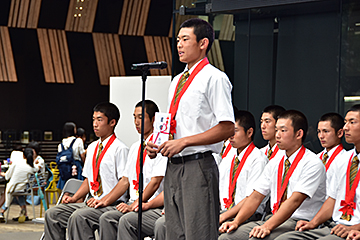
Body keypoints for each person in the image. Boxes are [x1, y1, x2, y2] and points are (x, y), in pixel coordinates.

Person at [146, 18, 235, 240]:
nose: (179, 45)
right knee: (174, 233)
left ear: (203, 43)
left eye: (185, 39)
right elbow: (174, 122)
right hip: (173, 166)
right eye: (178, 40)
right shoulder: (177, 80)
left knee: (199, 233)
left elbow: (227, 128)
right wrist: (157, 142)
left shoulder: (215, 78)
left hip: (198, 164)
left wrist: (185, 141)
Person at [219, 110, 326, 240]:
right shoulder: (276, 160)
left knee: (257, 238)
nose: (277, 135)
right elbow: (256, 196)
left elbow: (294, 201)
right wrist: (236, 221)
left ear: (299, 134)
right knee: (227, 237)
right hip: (273, 217)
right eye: (276, 130)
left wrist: (267, 226)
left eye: (283, 130)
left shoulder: (312, 163)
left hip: (298, 221)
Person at [69, 100, 167, 240]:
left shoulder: (158, 146)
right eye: (134, 117)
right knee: (68, 215)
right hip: (131, 202)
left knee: (110, 218)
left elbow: (155, 182)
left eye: (140, 117)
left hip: (149, 204)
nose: (136, 122)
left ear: (153, 119)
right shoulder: (135, 147)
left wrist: (135, 203)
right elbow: (125, 181)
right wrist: (103, 200)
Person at [44, 102, 129, 240]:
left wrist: (105, 201)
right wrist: (74, 198)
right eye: (93, 119)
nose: (95, 124)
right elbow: (88, 179)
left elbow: (124, 182)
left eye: (100, 120)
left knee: (79, 217)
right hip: (92, 202)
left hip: (112, 204)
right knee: (53, 214)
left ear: (112, 122)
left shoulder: (120, 149)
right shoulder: (92, 147)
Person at [275, 105, 360, 240]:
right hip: (335, 224)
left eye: (352, 122)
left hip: (353, 228)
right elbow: (332, 198)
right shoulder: (344, 160)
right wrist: (313, 223)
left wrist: (356, 227)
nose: (346, 127)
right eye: (345, 123)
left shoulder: (337, 157)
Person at [219, 110, 268, 225]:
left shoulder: (258, 160)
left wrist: (224, 216)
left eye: (235, 131)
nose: (230, 136)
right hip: (224, 211)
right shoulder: (229, 156)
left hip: (248, 216)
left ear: (249, 132)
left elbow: (251, 198)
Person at [0, 147, 40, 220]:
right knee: (17, 193)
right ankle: (24, 212)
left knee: (9, 192)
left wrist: (2, 174)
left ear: (23, 155)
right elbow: (37, 169)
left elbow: (7, 176)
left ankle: (2, 212)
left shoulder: (16, 163)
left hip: (13, 188)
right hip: (23, 188)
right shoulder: (32, 167)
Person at [317, 113, 345, 190]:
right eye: (319, 131)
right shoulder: (316, 157)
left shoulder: (345, 159)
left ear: (340, 133)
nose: (321, 136)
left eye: (326, 131)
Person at [57, 122, 86, 187]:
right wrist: (84, 164)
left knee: (66, 188)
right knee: (77, 187)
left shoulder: (61, 143)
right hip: (76, 166)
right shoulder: (78, 141)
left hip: (64, 167)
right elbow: (82, 155)